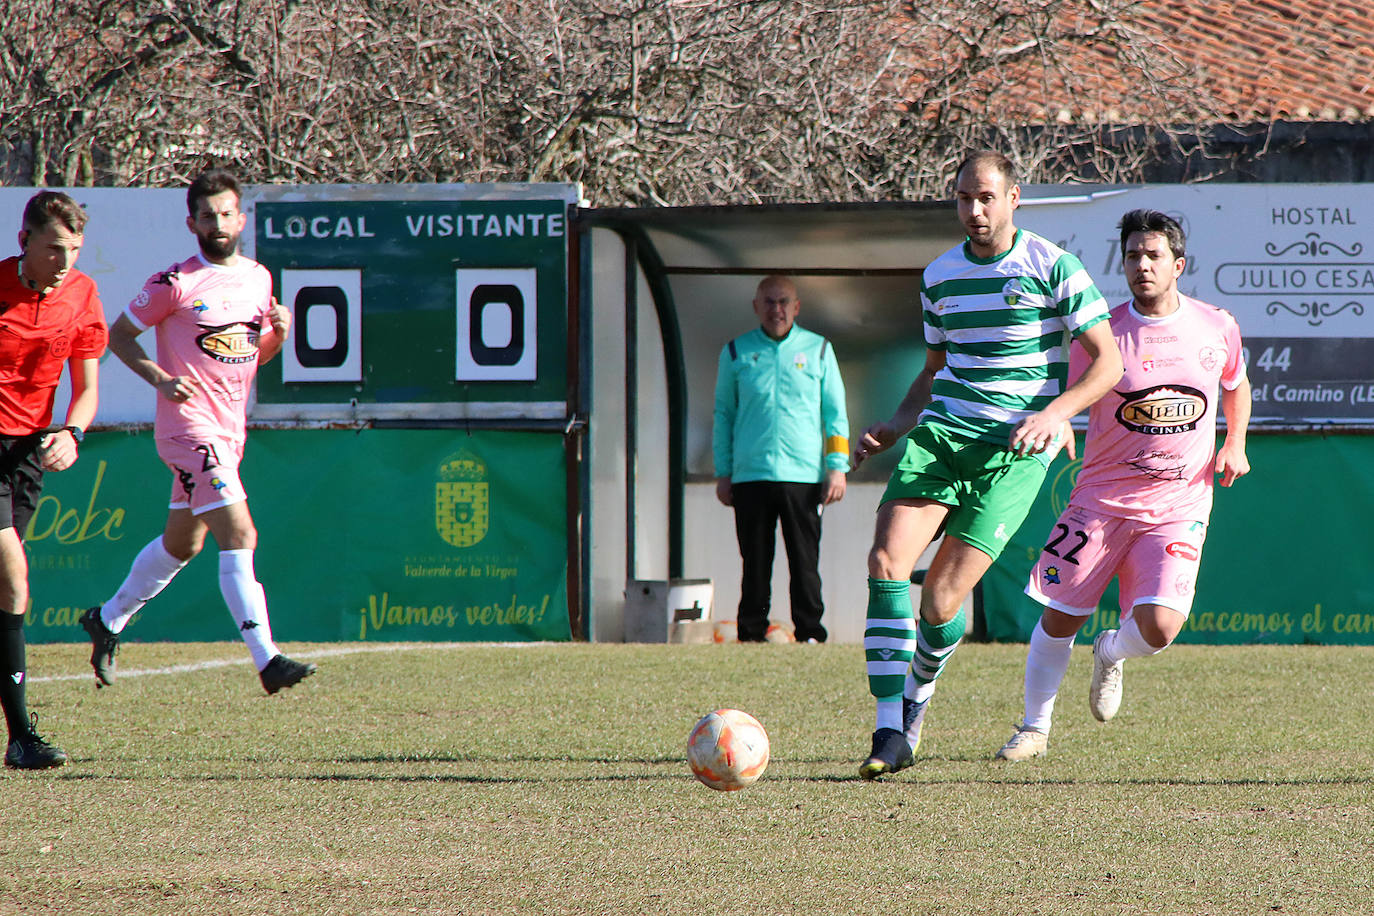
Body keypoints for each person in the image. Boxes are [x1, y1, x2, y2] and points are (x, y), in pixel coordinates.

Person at [851, 150, 1123, 779]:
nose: (974, 210)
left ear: (1014, 198)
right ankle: (889, 728)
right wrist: (895, 424)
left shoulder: (1053, 266)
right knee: (887, 562)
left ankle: (916, 694)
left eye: (986, 198)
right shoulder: (940, 275)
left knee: (942, 604)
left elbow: (1107, 363)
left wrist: (1057, 416)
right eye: (964, 198)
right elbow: (931, 371)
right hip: (943, 436)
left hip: (1015, 453)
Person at [995, 209, 1251, 761]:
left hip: (1180, 503)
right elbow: (1072, 397)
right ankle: (1034, 728)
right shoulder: (1101, 335)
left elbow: (1236, 384)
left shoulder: (1217, 325)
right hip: (1101, 502)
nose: (1141, 265)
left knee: (1159, 628)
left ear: (1178, 264)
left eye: (1153, 255)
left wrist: (1235, 444)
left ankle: (1110, 651)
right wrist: (1059, 421)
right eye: (1133, 255)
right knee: (1060, 615)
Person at [80, 168, 317, 695]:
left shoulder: (258, 277)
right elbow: (119, 335)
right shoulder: (176, 282)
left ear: (241, 217)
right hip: (189, 430)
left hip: (230, 431)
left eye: (226, 213)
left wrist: (279, 333)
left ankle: (108, 619)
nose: (218, 223)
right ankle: (267, 659)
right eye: (207, 215)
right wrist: (161, 379)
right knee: (240, 534)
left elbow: (252, 358)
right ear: (192, 222)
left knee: (182, 543)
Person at [1, 192, 107, 769]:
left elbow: (86, 388)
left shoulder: (81, 294)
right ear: (24, 243)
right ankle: (22, 737)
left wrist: (73, 431)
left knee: (5, 591)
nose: (63, 260)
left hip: (28, 452)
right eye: (52, 249)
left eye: (72, 248)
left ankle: (18, 741)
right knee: (13, 579)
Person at [712, 275, 849, 643]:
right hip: (750, 475)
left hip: (803, 475)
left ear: (797, 307)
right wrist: (723, 472)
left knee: (805, 562)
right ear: (756, 307)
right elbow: (723, 414)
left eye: (784, 301)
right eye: (769, 302)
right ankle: (751, 633)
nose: (777, 309)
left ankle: (810, 634)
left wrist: (837, 466)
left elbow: (834, 414)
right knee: (755, 563)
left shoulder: (818, 349)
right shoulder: (737, 352)